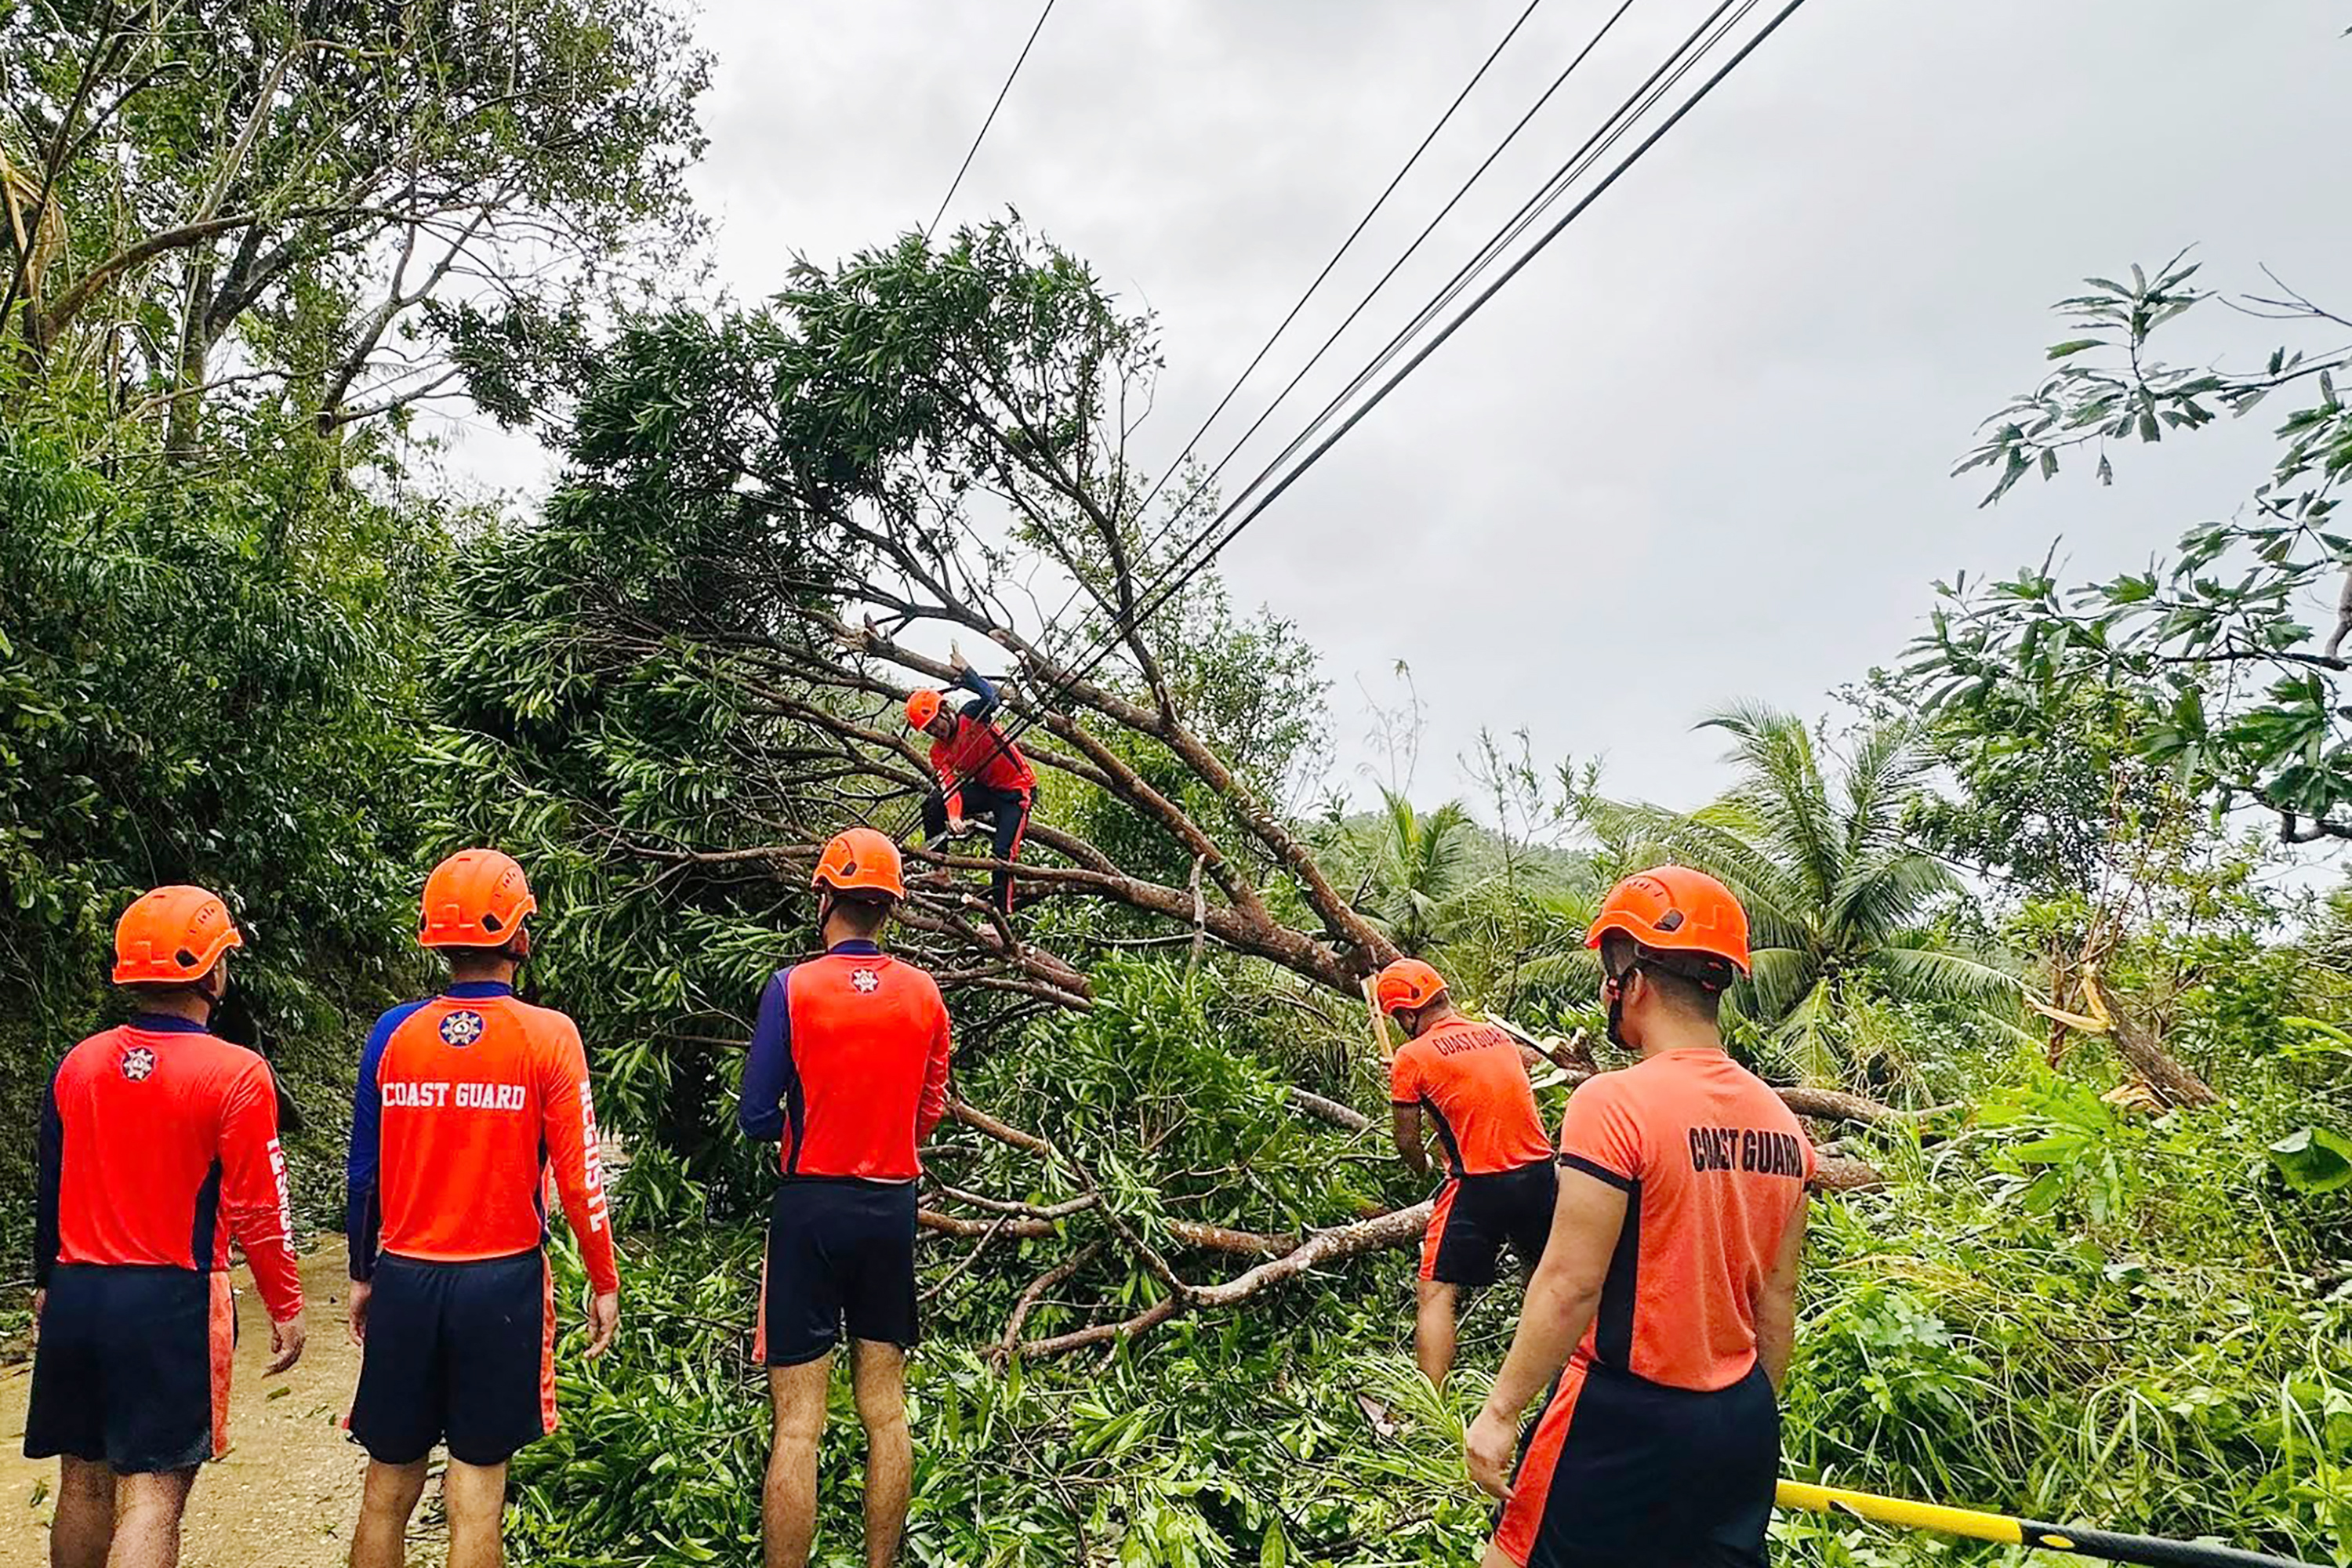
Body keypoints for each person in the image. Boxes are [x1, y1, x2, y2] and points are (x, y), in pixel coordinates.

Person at [1465, 866, 1813, 1568]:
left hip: (1621, 1414)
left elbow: (1570, 1283)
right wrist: (1743, 1425)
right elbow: (1777, 1299)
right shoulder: (1784, 1127)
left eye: (1609, 975)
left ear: (1634, 983)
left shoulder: (1613, 1104)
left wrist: (1499, 1414)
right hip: (1741, 1419)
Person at [344, 849, 620, 1568]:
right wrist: (604, 1279)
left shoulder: (392, 1034)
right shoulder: (549, 1035)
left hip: (406, 1276)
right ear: (520, 936)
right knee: (476, 1490)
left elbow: (364, 1175)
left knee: (386, 1488)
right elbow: (581, 1177)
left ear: (435, 938)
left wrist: (363, 1274)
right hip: (501, 1284)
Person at [26, 884, 307, 1568]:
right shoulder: (237, 1073)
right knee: (152, 1498)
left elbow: (51, 1188)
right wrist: (285, 1304)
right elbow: (260, 1208)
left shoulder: (79, 1064)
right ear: (212, 972)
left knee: (82, 1481)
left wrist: (45, 1286)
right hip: (171, 1300)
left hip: (78, 1292)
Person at [739, 827, 953, 1568]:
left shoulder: (791, 988)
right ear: (889, 908)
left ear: (824, 897)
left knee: (798, 1426)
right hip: (890, 1210)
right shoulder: (925, 994)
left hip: (810, 1209)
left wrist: (809, 1126)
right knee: (886, 1412)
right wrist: (885, 1131)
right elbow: (931, 1107)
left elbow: (756, 1114)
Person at [1381, 956, 1558, 1388]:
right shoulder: (1496, 1037)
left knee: (1436, 1291)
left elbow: (1406, 1141)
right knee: (1542, 1277)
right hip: (1541, 1175)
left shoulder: (1411, 1056)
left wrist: (1422, 1168)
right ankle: (1555, 1385)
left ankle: (1433, 1405)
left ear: (1406, 1014)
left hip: (1479, 1184)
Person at [906, 644, 1036, 914]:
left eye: (935, 723)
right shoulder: (938, 752)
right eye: (929, 730)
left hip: (1016, 791)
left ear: (945, 711)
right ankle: (941, 870)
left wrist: (967, 670)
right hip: (987, 790)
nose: (936, 731)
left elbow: (992, 699)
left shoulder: (970, 715)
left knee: (1002, 856)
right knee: (933, 804)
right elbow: (949, 787)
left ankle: (1001, 916)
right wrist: (954, 816)